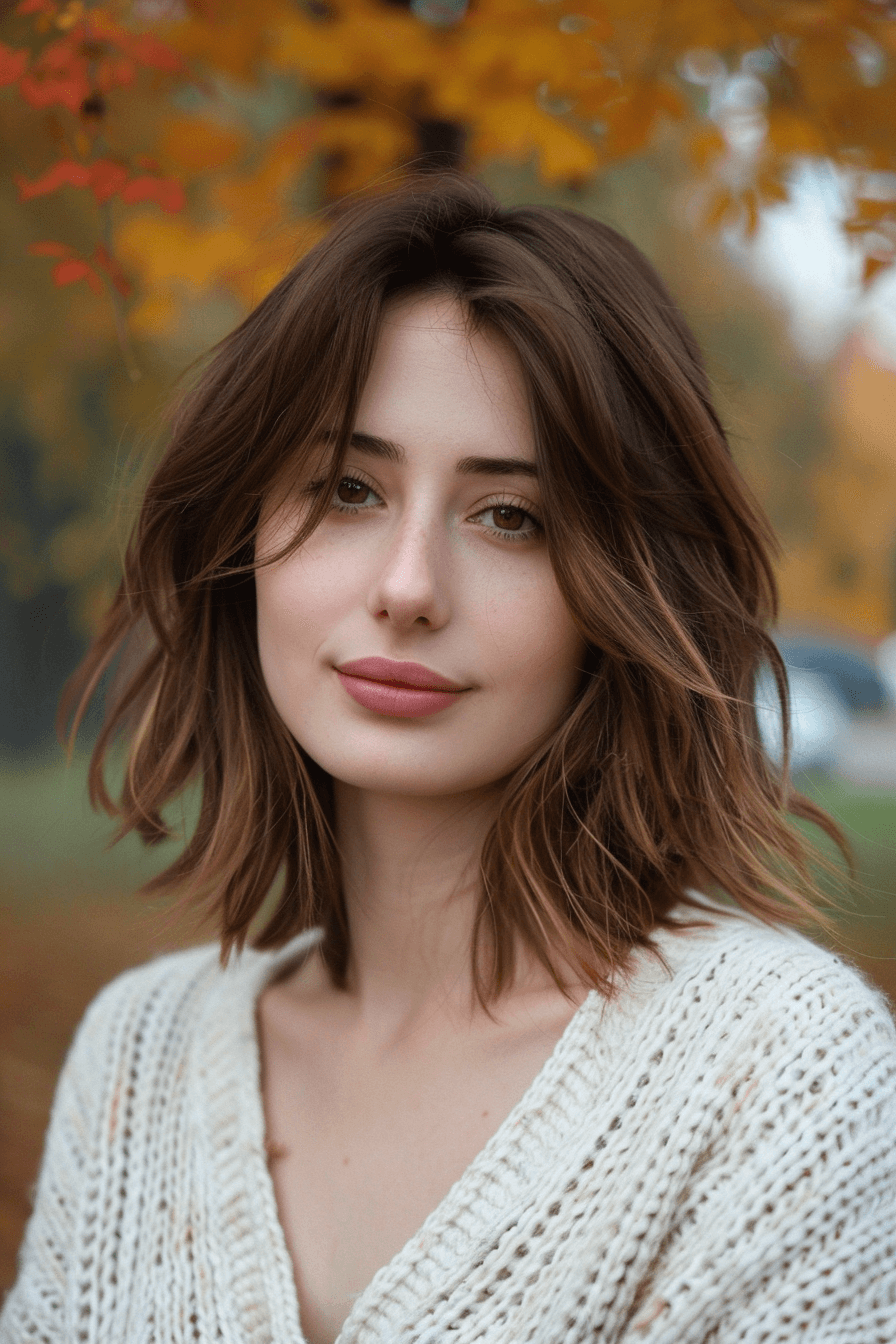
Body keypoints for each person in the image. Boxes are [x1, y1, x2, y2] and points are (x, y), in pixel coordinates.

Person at [2, 174, 894, 1344]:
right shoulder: (139, 1054)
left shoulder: (781, 1076)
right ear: (244, 545)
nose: (408, 587)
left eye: (509, 517)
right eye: (346, 490)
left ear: (624, 590)